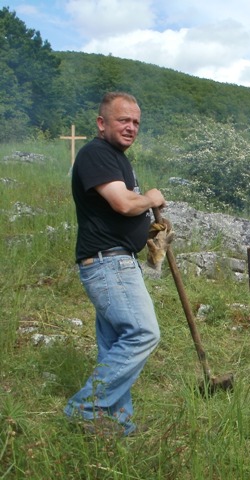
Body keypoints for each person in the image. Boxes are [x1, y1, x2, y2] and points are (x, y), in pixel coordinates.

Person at [64, 92, 166, 436]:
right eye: (123, 120)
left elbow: (119, 210)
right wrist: (150, 199)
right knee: (142, 333)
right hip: (109, 264)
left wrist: (148, 229)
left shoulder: (115, 158)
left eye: (136, 122)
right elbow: (122, 203)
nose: (131, 127)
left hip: (116, 261)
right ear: (101, 123)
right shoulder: (96, 153)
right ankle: (85, 408)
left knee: (114, 345)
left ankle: (118, 424)